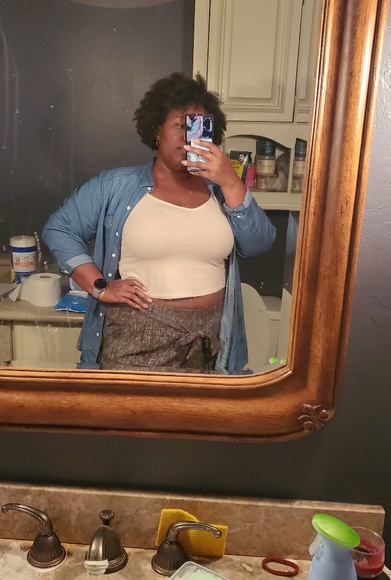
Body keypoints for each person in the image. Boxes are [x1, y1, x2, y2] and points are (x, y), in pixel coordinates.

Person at [42, 72, 275, 374]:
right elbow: (59, 228)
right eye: (180, 125)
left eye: (198, 127)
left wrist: (231, 182)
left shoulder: (222, 191)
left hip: (210, 343)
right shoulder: (116, 186)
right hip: (137, 339)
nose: (188, 137)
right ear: (156, 131)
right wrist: (100, 287)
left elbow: (258, 244)